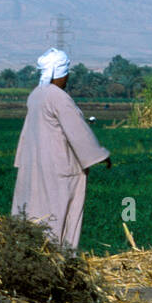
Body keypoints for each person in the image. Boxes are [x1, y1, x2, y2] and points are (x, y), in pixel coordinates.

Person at [11, 48, 111, 250]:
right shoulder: (58, 97)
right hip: (59, 168)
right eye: (67, 72)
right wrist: (100, 155)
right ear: (60, 72)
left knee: (35, 209)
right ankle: (58, 257)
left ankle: (31, 251)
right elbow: (77, 131)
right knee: (58, 212)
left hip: (37, 164)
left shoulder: (36, 95)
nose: (68, 77)